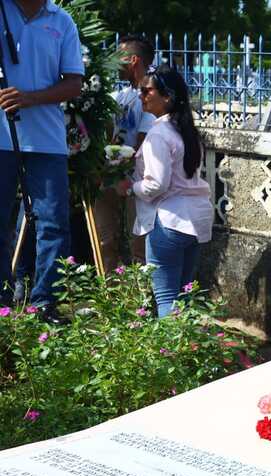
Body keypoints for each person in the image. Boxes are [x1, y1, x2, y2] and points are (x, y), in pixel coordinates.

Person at [0, 0, 83, 322]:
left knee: (53, 221)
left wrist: (29, 98)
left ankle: (45, 302)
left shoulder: (62, 21)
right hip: (1, 138)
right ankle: (3, 297)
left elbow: (74, 83)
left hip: (47, 140)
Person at [118, 65, 213, 318]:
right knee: (184, 296)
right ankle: (186, 342)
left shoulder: (159, 134)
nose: (141, 96)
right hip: (195, 220)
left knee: (166, 298)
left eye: (147, 91)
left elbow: (157, 184)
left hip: (170, 220)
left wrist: (130, 187)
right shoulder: (186, 130)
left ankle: (168, 344)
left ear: (167, 97)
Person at [92, 34, 156, 272]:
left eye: (119, 56)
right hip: (112, 176)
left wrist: (119, 173)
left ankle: (140, 293)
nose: (114, 63)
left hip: (137, 179)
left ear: (133, 60)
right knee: (105, 239)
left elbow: (142, 143)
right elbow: (110, 134)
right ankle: (107, 287)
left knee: (138, 244)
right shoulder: (123, 95)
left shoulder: (151, 95)